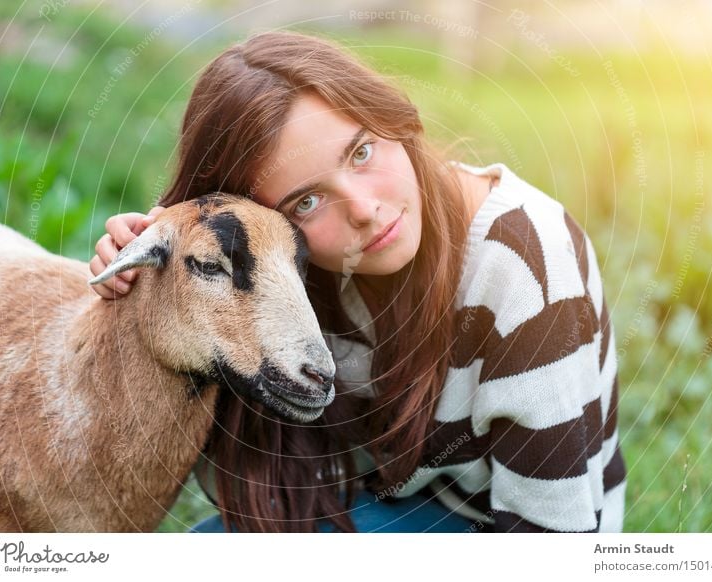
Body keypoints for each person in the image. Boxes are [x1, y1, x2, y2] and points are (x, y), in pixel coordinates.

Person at [89, 31, 626, 533]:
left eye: (362, 151)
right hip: (379, 503)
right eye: (307, 200)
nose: (366, 210)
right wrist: (166, 276)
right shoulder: (295, 271)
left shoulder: (524, 259)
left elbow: (555, 536)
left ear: (390, 118)